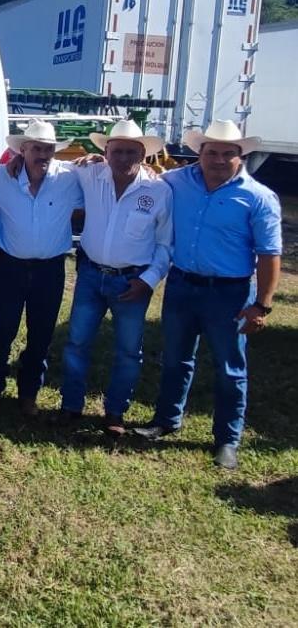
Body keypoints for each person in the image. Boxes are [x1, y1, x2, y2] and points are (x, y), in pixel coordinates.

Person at [135, 120, 283, 470]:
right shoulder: (177, 181)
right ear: (199, 153)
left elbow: (269, 254)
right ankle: (166, 419)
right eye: (211, 152)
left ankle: (227, 440)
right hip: (183, 285)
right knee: (175, 358)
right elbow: (141, 175)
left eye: (227, 153)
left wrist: (261, 305)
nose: (218, 159)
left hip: (229, 294)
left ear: (241, 155)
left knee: (230, 369)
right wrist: (88, 163)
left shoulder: (258, 197)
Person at [57, 120, 172, 435]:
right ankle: (71, 406)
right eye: (116, 151)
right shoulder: (90, 174)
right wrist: (14, 163)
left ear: (143, 154)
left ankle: (115, 413)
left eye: (130, 151)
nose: (123, 158)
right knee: (77, 343)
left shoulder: (159, 191)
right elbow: (44, 165)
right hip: (92, 276)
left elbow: (165, 244)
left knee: (127, 350)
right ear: (105, 152)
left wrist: (148, 280)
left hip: (132, 283)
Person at [0, 119, 82, 416]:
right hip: (10, 268)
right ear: (23, 150)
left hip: (50, 270)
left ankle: (28, 394)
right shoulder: (1, 179)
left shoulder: (70, 178)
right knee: (3, 329)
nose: (42, 154)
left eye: (48, 149)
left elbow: (104, 178)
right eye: (36, 148)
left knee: (41, 333)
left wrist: (94, 159)